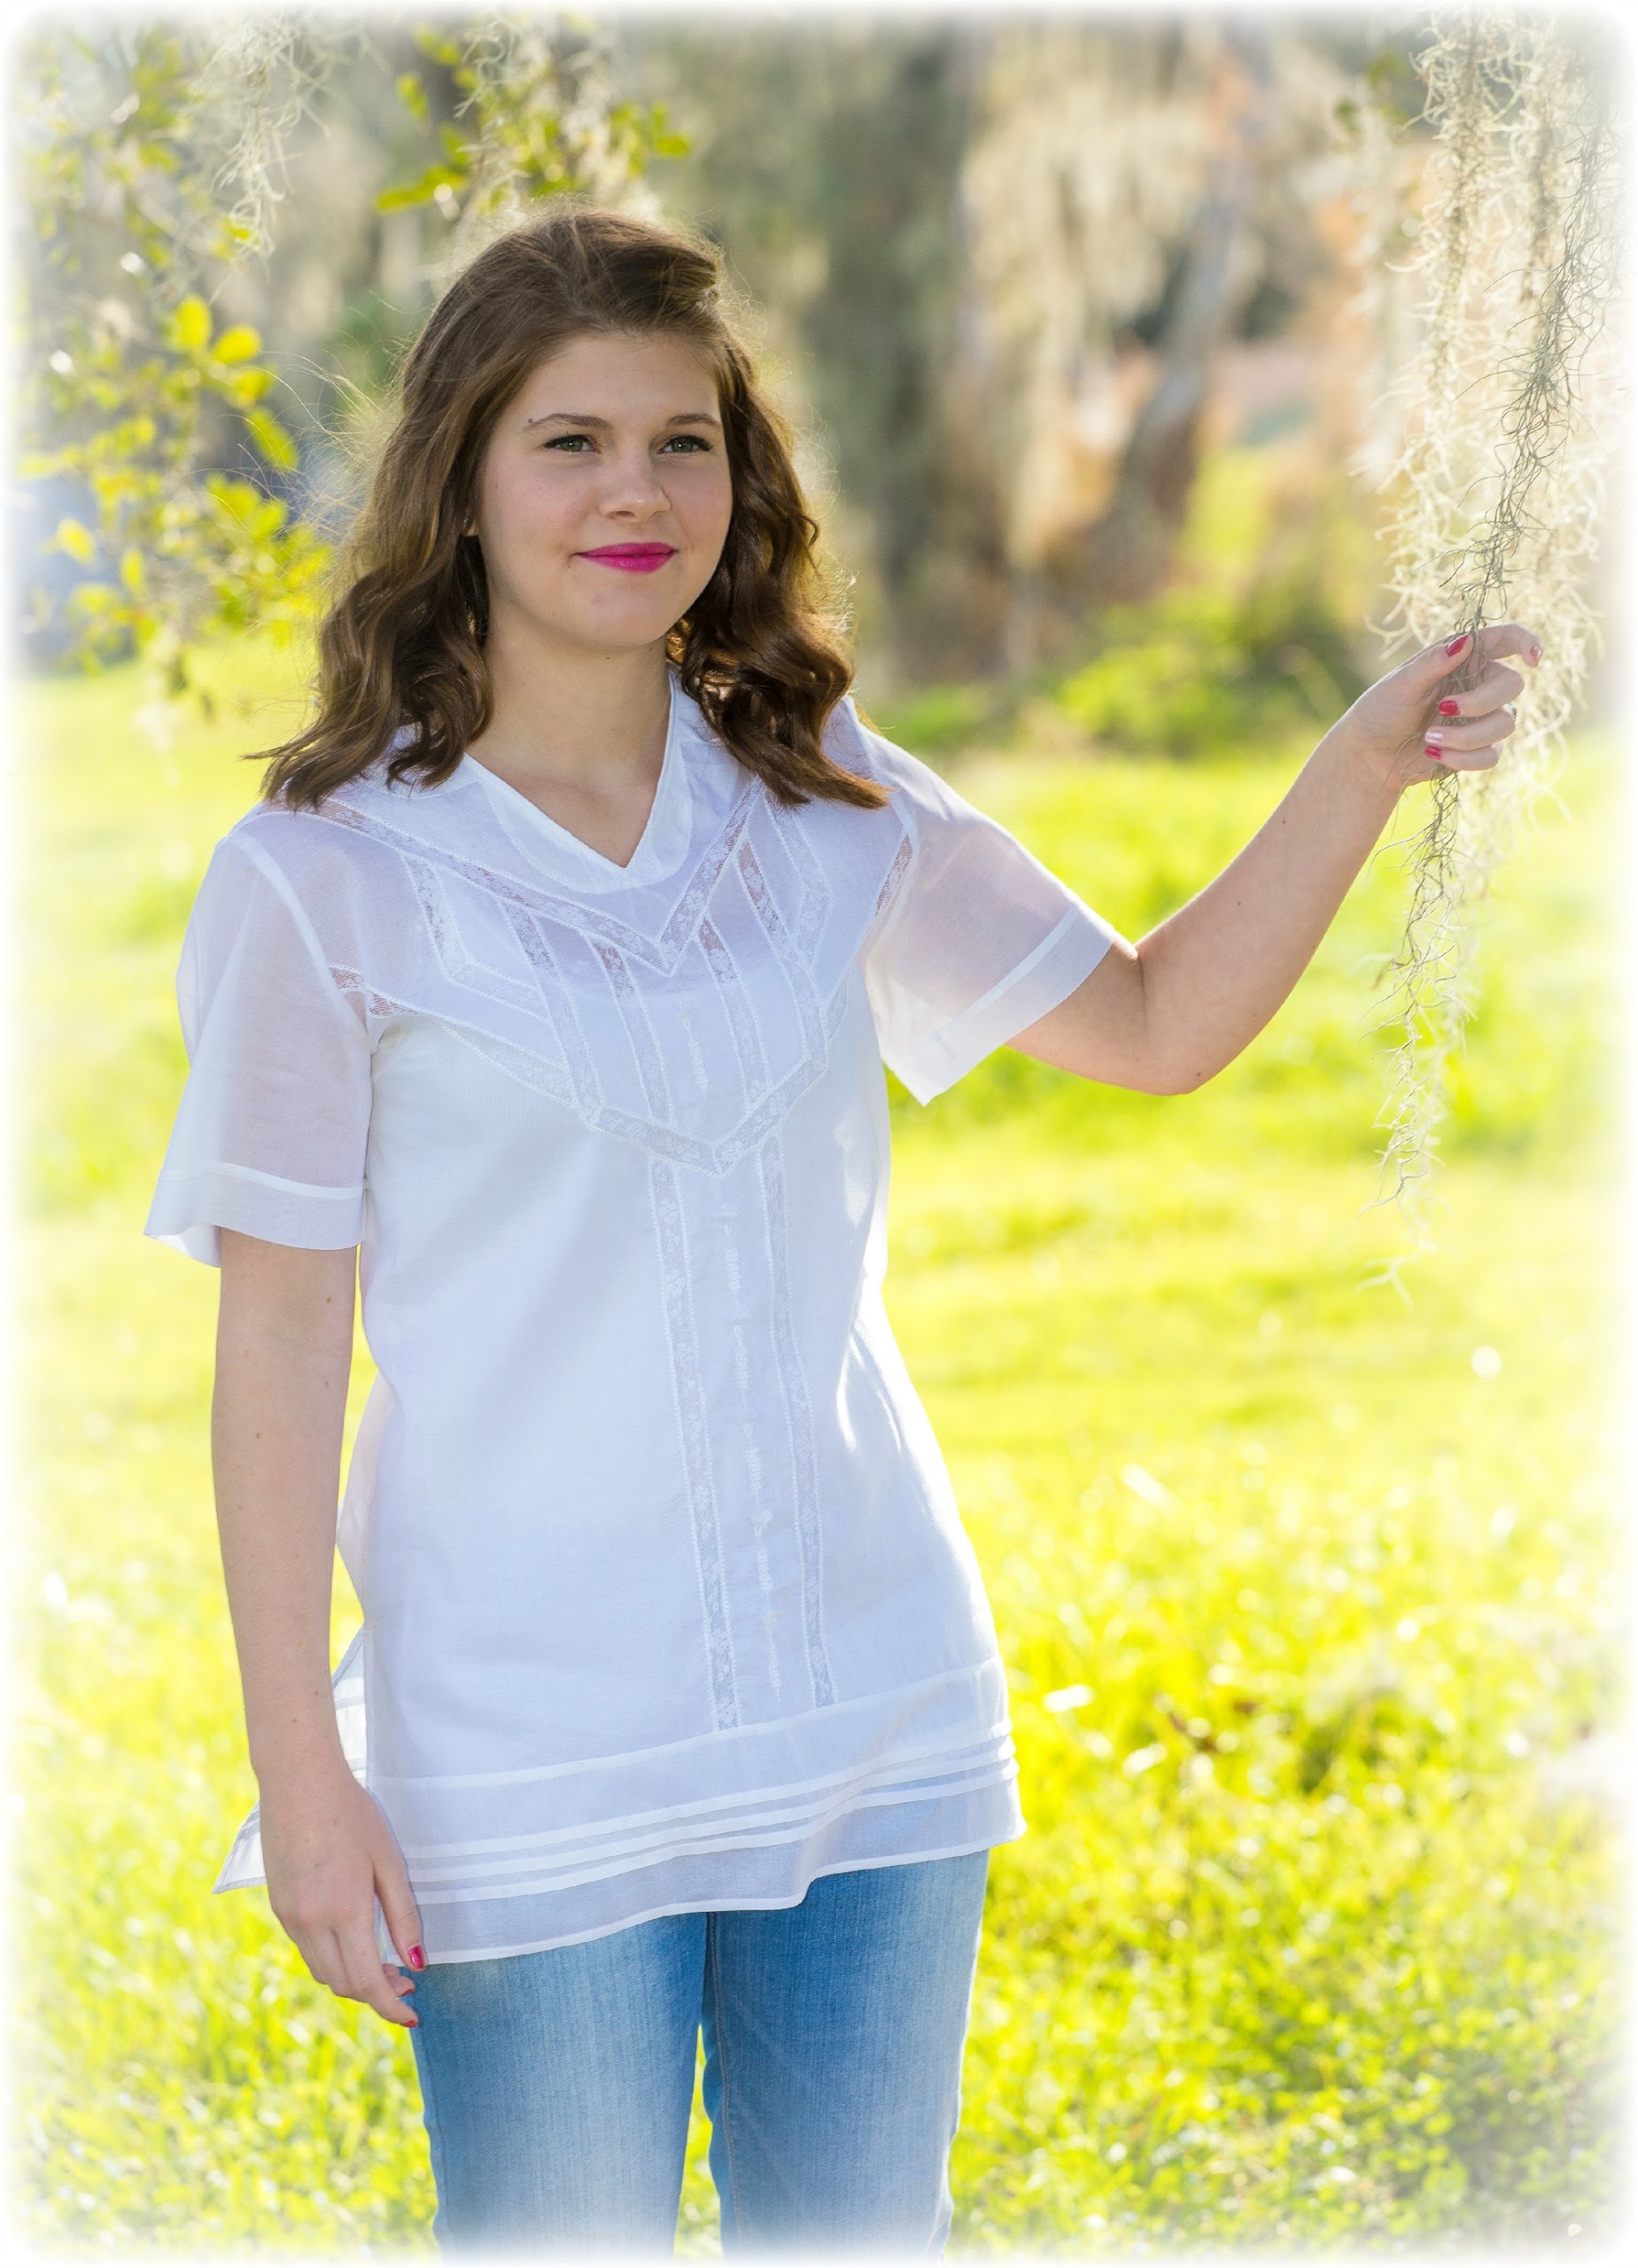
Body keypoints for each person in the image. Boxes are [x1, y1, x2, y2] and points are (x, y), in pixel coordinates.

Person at [144, 200, 1540, 2255]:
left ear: (744, 477)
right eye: (571, 441)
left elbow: (1151, 1023)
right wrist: (305, 1776)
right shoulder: (322, 884)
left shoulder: (821, 803)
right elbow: (276, 1346)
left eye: (683, 442)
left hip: (867, 1712)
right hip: (521, 1750)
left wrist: (1360, 765)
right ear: (459, 481)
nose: (637, 490)